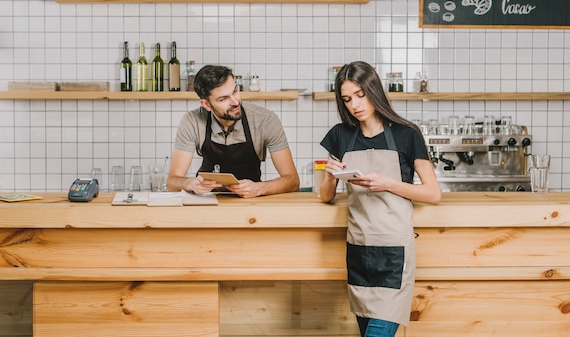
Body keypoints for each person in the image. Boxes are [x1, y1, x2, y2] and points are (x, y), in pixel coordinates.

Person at [319, 61, 441, 337]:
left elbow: (433, 193)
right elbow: (326, 196)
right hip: (359, 248)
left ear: (374, 90)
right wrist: (330, 175)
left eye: (360, 95)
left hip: (394, 250)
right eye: (347, 99)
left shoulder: (406, 134)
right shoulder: (340, 136)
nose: (355, 105)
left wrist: (387, 183)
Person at [166, 65, 300, 198]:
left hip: (251, 204)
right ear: (206, 105)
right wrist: (190, 184)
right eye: (224, 99)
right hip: (207, 204)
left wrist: (259, 188)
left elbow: (293, 181)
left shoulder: (266, 120)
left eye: (235, 91)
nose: (235, 102)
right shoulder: (191, 121)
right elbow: (172, 183)